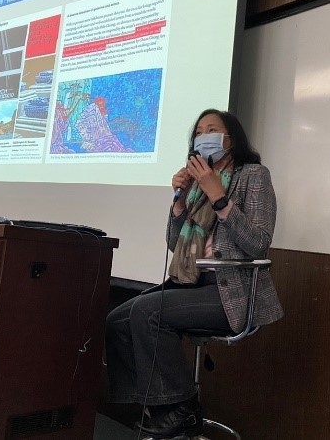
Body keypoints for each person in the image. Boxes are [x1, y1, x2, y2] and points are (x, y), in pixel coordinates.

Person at [105, 108, 283, 438]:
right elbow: (176, 245)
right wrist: (179, 204)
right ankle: (157, 408)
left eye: (211, 130)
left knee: (147, 311)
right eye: (198, 132)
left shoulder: (253, 175)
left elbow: (258, 243)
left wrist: (219, 197)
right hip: (191, 283)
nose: (203, 137)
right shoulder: (197, 184)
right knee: (117, 319)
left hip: (230, 291)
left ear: (231, 139)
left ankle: (183, 409)